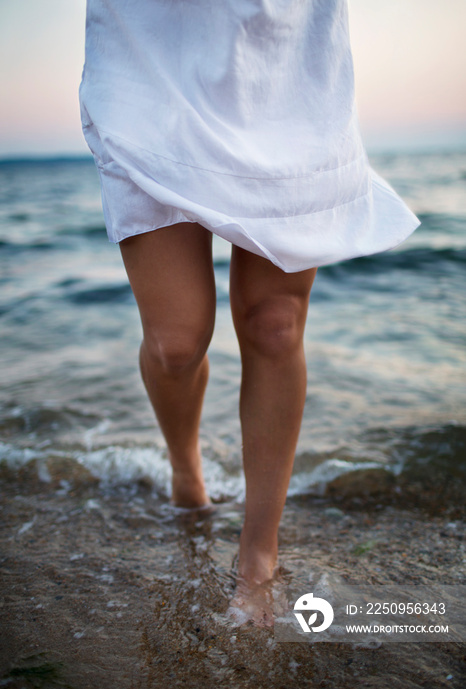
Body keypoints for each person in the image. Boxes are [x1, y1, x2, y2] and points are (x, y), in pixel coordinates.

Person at [79, 0, 419, 626]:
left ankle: (257, 557)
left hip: (282, 55)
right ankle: (188, 473)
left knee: (276, 323)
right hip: (152, 53)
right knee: (175, 343)